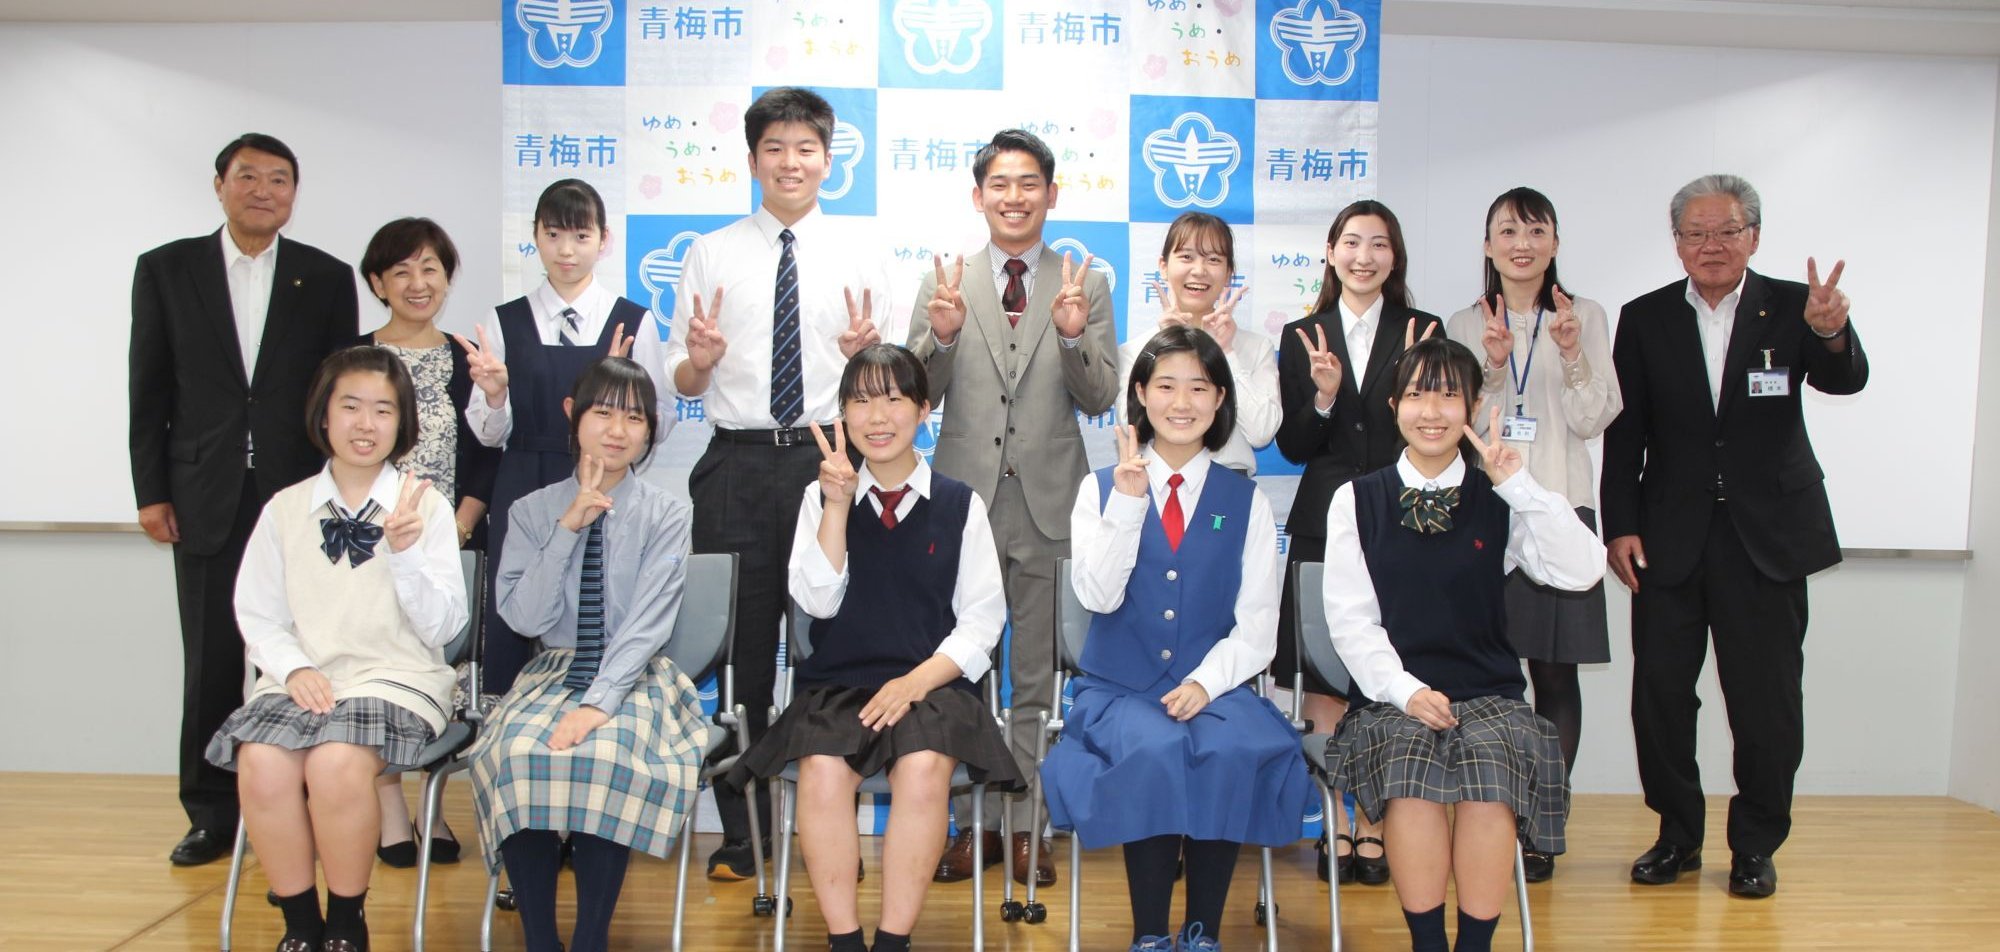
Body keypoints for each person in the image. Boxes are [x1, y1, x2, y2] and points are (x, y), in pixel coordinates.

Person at [1602, 174, 1868, 899]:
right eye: (1695, 233)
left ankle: (1755, 844)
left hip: (1767, 538)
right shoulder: (1645, 317)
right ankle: (1677, 836)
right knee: (1658, 694)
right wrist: (1619, 525)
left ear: (1754, 235)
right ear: (1677, 242)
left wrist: (1829, 331)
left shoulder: (1793, 306)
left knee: (1766, 703)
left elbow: (1845, 380)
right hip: (1668, 538)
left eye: (1725, 231)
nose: (1710, 245)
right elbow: (1626, 437)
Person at [664, 86, 893, 880]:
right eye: (775, 148)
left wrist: (868, 353)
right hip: (738, 462)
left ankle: (832, 829)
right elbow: (686, 380)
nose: (791, 162)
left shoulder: (862, 252)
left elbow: (887, 384)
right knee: (744, 655)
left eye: (806, 149)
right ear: (754, 158)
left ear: (829, 160)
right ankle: (743, 829)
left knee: (839, 643)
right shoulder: (713, 251)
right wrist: (699, 357)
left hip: (833, 458)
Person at [732, 344, 1022, 952]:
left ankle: (892, 943)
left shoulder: (959, 503)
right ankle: (844, 942)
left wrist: (915, 683)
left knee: (920, 774)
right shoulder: (821, 497)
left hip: (933, 688)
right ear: (842, 415)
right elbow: (815, 601)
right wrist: (836, 506)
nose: (877, 415)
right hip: (838, 684)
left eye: (893, 398)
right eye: (860, 400)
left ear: (922, 410)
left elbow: (981, 621)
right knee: (821, 774)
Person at [1323, 336, 1602, 952]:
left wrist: (1521, 488)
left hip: (1488, 693)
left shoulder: (1497, 497)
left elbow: (1582, 570)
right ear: (1395, 404)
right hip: (1391, 697)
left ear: (1473, 407)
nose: (1432, 410)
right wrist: (1406, 691)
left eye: (1450, 396)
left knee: (1489, 775)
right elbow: (1350, 621)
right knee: (1411, 772)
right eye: (1418, 393)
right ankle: (1428, 944)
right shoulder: (1357, 499)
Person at [130, 132, 359, 866]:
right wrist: (151, 491)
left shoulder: (323, 277)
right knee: (211, 656)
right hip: (203, 492)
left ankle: (291, 804)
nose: (264, 191)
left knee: (301, 654)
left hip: (296, 498)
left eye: (280, 180)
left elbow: (337, 396)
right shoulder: (167, 271)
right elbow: (149, 390)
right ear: (220, 185)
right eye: (249, 177)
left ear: (295, 194)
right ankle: (209, 814)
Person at [1044, 326, 1311, 952]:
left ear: (1220, 400)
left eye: (1199, 386)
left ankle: (1202, 933)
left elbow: (1257, 624)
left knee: (1226, 752)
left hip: (1217, 687)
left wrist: (1203, 682)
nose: (1182, 401)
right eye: (1165, 385)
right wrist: (1130, 506)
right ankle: (1148, 934)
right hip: (1121, 691)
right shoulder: (1100, 488)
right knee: (1153, 751)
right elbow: (1097, 596)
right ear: (1141, 394)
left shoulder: (1245, 502)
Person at [907, 128, 1120, 887]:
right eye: (1000, 183)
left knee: (1035, 680)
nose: (1015, 196)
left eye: (1029, 182)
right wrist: (936, 339)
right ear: (978, 196)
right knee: (963, 675)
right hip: (960, 508)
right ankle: (975, 826)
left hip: (1049, 507)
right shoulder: (946, 279)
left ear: (1051, 194)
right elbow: (914, 398)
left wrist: (1069, 338)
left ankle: (1027, 825)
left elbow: (1099, 396)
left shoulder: (1082, 281)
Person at [205, 346, 466, 952]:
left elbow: (444, 626)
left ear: (402, 424)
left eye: (383, 410)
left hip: (397, 676)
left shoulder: (423, 506)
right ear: (324, 415)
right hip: (306, 676)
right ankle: (300, 925)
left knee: (336, 762)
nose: (365, 424)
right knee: (263, 763)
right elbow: (258, 611)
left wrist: (403, 554)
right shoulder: (286, 508)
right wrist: (293, 667)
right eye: (350, 406)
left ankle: (347, 923)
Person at [468, 357, 706, 952]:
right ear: (573, 417)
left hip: (636, 673)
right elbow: (524, 618)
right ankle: (542, 942)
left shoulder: (668, 513)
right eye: (604, 412)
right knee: (517, 754)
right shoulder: (529, 511)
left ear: (651, 430)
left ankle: (591, 938)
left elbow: (649, 624)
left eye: (634, 417)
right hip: (551, 667)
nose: (618, 429)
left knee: (608, 756)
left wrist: (598, 705)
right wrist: (568, 527)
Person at [1443, 187, 1620, 881]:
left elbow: (1592, 418)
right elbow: (1454, 418)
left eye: (1535, 230)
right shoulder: (1462, 319)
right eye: (1507, 230)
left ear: (1554, 243)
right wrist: (1490, 361)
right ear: (1488, 245)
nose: (1521, 242)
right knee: (1490, 676)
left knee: (1555, 673)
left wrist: (1572, 353)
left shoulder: (1586, 316)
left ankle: (1543, 822)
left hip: (1560, 508)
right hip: (1485, 512)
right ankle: (1493, 815)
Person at [1274, 199, 1441, 884]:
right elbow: (1292, 445)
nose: (1364, 256)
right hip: (1322, 519)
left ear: (1394, 257)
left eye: (1378, 244)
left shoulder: (1420, 331)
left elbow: (1434, 432)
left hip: (1402, 522)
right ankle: (1335, 825)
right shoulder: (1303, 333)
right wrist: (1323, 398)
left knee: (1385, 677)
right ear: (1331, 251)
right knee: (1323, 678)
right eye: (1352, 242)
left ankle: (1374, 826)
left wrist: (1408, 382)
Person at [458, 178, 667, 697]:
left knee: (599, 598)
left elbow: (660, 424)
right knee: (519, 604)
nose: (567, 250)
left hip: (607, 485)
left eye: (580, 235)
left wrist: (618, 390)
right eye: (554, 235)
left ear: (604, 240)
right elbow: (488, 435)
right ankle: (504, 717)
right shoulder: (503, 320)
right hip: (524, 479)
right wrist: (495, 395)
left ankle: (603, 700)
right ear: (535, 238)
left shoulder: (635, 321)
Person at [350, 216, 501, 867]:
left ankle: (434, 813)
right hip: (372, 547)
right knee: (379, 672)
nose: (418, 283)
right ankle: (389, 818)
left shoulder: (468, 358)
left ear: (447, 276)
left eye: (430, 268)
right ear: (378, 282)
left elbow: (487, 456)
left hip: (453, 543)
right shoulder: (352, 360)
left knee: (448, 677)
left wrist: (459, 531)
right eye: (402, 270)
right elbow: (337, 454)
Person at [1115, 212, 1280, 475]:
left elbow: (1262, 432)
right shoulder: (1135, 351)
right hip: (1153, 486)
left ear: (1229, 274)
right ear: (1163, 266)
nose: (1199, 270)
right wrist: (1163, 350)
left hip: (1228, 485)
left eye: (1213, 259)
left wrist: (1225, 353)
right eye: (1186, 257)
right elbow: (1133, 428)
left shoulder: (1256, 347)